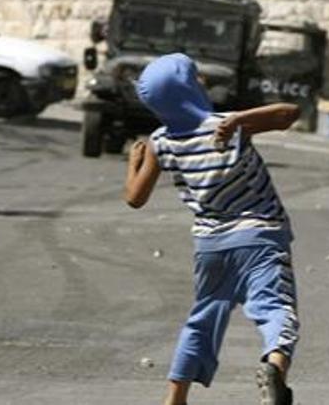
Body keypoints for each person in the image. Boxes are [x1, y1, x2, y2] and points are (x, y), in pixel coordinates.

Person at [124, 53, 300, 405]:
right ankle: (275, 367)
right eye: (196, 78)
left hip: (211, 245)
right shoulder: (226, 125)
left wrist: (133, 162)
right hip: (261, 236)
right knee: (275, 307)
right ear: (188, 89)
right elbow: (288, 114)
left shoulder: (161, 142)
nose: (202, 82)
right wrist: (241, 119)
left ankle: (175, 398)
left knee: (202, 319)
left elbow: (134, 198)